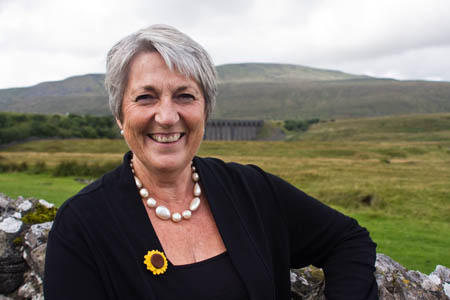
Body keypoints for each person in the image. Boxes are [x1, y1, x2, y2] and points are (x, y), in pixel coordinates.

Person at [44, 24, 378, 299]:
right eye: (146, 97)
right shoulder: (82, 226)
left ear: (205, 110)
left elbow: (348, 239)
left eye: (185, 96)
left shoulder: (252, 190)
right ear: (120, 114)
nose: (167, 116)